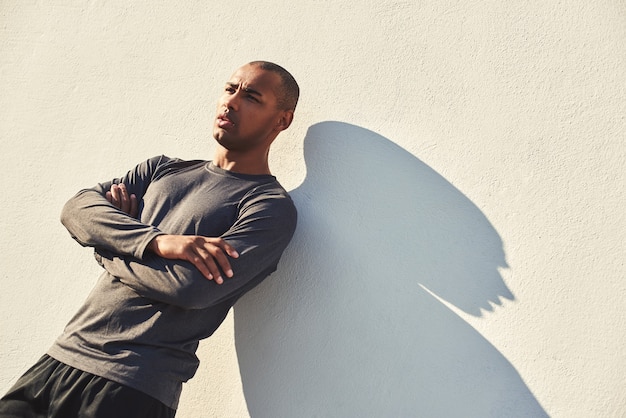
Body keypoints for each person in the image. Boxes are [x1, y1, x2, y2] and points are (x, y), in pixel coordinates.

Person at [0, 61, 299, 417]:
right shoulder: (161, 169)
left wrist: (105, 243)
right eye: (230, 88)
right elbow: (76, 209)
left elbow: (189, 287)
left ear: (282, 120)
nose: (231, 103)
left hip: (133, 385)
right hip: (59, 358)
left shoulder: (268, 208)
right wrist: (158, 243)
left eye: (251, 96)